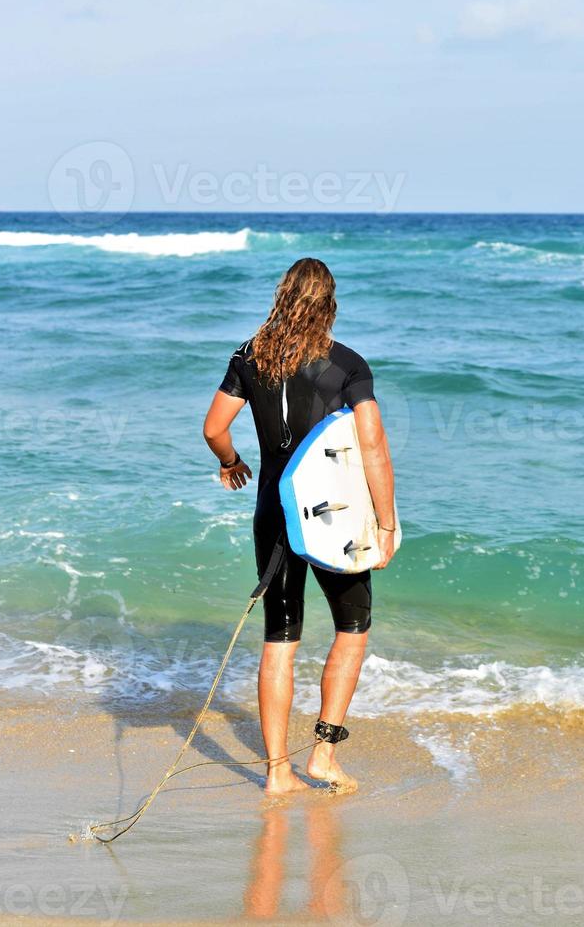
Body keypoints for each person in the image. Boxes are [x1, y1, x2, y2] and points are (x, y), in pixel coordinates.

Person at [203, 258, 396, 794]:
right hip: (334, 521)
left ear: (282, 296)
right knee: (352, 630)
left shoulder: (249, 357)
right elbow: (374, 445)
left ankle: (276, 774)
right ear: (330, 303)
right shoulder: (349, 366)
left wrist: (230, 462)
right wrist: (386, 523)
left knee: (279, 640)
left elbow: (214, 428)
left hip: (274, 513)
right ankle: (324, 757)